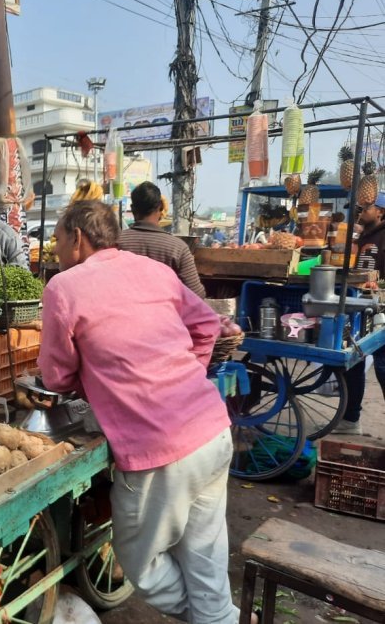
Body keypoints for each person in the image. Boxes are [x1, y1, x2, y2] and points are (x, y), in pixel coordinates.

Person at [38, 200, 238, 624]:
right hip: (211, 429)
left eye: (57, 239)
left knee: (139, 566)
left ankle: (216, 615)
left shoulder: (63, 286)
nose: (55, 250)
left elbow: (55, 378)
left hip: (159, 448)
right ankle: (218, 614)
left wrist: (97, 377)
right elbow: (207, 326)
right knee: (204, 553)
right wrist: (182, 377)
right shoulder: (154, 269)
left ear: (77, 237)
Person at [337, 194, 385, 435]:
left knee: (383, 366)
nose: (360, 210)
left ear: (381, 212)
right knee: (353, 361)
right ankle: (350, 419)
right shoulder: (360, 235)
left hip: (380, 308)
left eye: (367, 207)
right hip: (360, 306)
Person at [118, 182, 206, 298]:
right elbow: (197, 294)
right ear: (161, 207)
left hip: (123, 313)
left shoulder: (116, 243)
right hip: (166, 314)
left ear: (133, 210)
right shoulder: (177, 248)